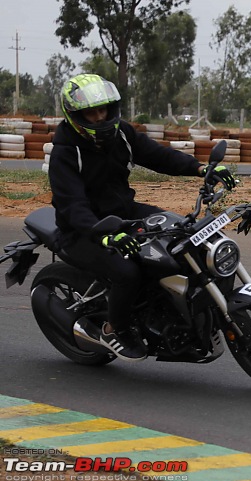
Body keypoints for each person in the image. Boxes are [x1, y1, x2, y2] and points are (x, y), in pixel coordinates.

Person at [48, 73, 236, 362]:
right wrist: (104, 234)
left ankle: (188, 309)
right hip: (82, 231)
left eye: (103, 110)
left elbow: (159, 156)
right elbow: (73, 205)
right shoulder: (65, 152)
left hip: (125, 213)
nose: (99, 117)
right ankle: (113, 329)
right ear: (75, 115)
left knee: (182, 234)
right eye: (91, 113)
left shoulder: (121, 132)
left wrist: (201, 170)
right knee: (127, 272)